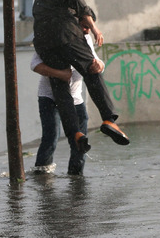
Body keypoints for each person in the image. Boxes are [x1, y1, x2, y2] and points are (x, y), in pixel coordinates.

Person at [32, 0, 130, 154]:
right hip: (66, 36)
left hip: (43, 43)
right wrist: (94, 28)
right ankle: (109, 119)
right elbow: (78, 1)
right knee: (92, 70)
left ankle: (75, 134)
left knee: (60, 84)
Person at [30, 29, 104, 175]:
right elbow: (35, 65)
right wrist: (61, 74)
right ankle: (42, 173)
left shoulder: (85, 39)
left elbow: (97, 61)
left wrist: (99, 66)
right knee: (51, 136)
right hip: (50, 97)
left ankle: (76, 175)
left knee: (80, 139)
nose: (86, 29)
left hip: (76, 98)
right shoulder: (51, 37)